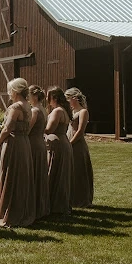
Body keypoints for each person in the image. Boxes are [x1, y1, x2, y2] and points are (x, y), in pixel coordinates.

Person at [0, 78, 35, 227]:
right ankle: (21, 209)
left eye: (10, 90)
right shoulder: (28, 106)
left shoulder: (16, 107)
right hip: (24, 143)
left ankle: (9, 212)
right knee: (21, 175)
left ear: (16, 91)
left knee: (10, 174)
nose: (8, 93)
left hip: (14, 143)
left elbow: (7, 128)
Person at [45, 86, 73, 216]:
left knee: (54, 173)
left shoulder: (57, 111)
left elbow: (49, 129)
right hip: (63, 142)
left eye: (48, 96)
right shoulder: (64, 110)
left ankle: (55, 205)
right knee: (61, 174)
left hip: (57, 144)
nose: (46, 99)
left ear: (54, 98)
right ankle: (60, 204)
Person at [65, 87, 94, 208]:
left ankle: (81, 199)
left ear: (74, 98)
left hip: (77, 144)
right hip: (68, 139)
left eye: (68, 99)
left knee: (79, 170)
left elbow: (80, 131)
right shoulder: (70, 112)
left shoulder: (83, 112)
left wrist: (70, 143)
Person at [27, 85, 50, 220]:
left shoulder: (35, 110)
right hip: (40, 143)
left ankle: (34, 207)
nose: (27, 98)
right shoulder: (43, 109)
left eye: (29, 95)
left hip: (33, 144)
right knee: (39, 174)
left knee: (34, 173)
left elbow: (28, 129)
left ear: (34, 96)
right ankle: (40, 206)